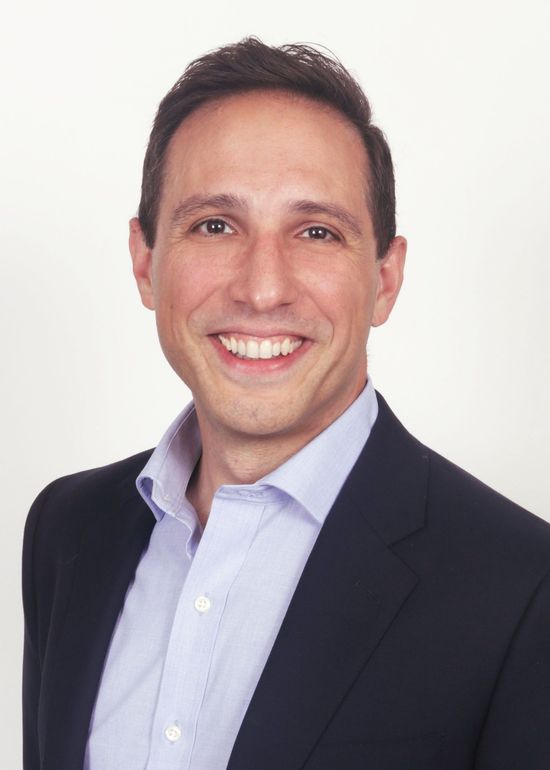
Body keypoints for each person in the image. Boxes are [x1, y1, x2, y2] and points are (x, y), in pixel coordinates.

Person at [22, 38, 550, 770]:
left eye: (316, 232)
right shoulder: (66, 533)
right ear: (146, 263)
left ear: (386, 281)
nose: (263, 288)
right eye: (214, 224)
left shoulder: (525, 591)